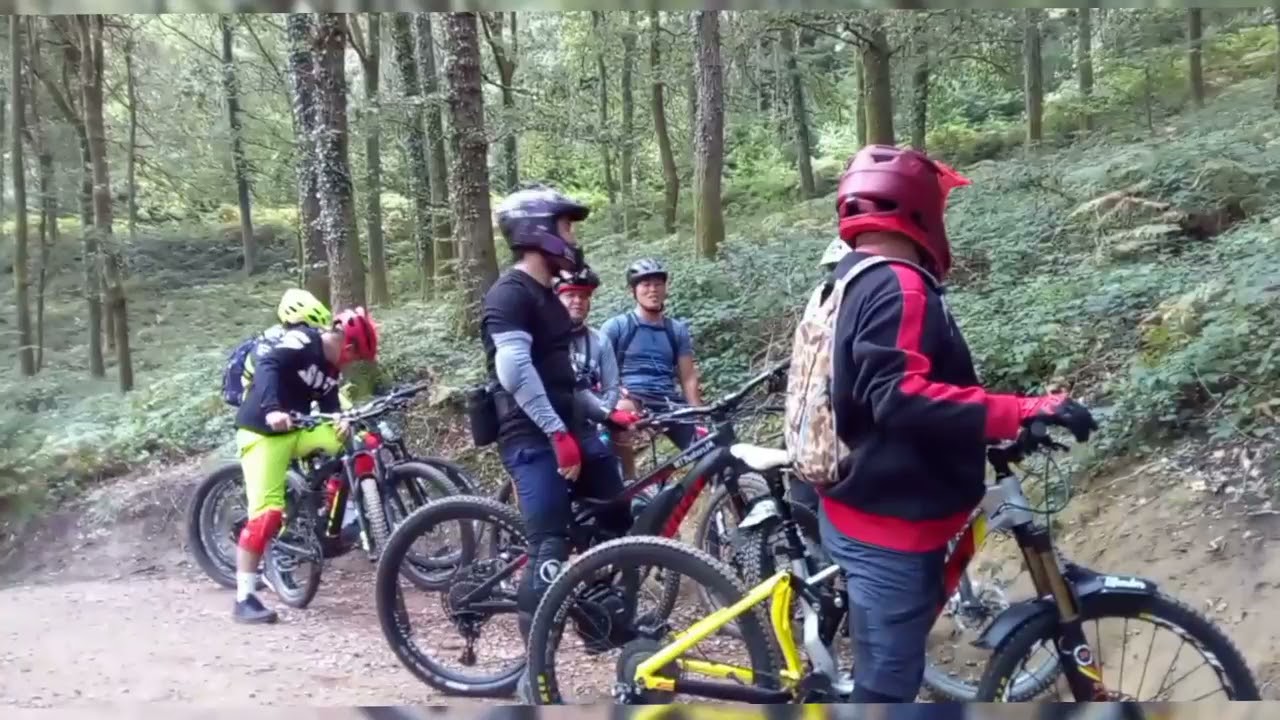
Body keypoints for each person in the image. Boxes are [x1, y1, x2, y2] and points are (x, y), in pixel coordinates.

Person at [817, 145, 1097, 703]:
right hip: (889, 527)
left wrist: (983, 422)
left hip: (859, 503)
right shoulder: (900, 284)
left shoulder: (846, 279)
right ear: (919, 209)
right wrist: (1021, 408)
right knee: (886, 693)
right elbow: (899, 397)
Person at [480, 185, 640, 645]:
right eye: (566, 227)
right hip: (531, 438)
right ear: (539, 233)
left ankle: (599, 623)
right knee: (548, 546)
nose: (572, 237)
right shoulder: (509, 294)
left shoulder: (549, 297)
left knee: (615, 522)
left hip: (570, 428)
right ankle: (535, 668)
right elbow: (514, 371)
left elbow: (564, 381)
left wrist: (607, 415)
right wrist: (555, 433)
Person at [231, 306, 379, 624]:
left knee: (361, 442)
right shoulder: (301, 340)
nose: (352, 364)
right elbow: (268, 365)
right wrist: (271, 409)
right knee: (267, 516)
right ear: (347, 346)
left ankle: (335, 513)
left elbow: (328, 400)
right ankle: (244, 597)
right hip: (261, 432)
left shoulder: (331, 368)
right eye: (355, 357)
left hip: (297, 430)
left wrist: (339, 418)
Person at [601, 259, 704, 480]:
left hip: (668, 401)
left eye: (658, 284)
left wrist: (698, 414)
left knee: (707, 446)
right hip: (632, 396)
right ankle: (629, 484)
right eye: (645, 285)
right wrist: (613, 393)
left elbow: (687, 377)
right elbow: (601, 370)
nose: (653, 290)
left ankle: (720, 497)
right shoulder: (617, 327)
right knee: (617, 418)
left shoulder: (676, 330)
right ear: (633, 291)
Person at [788, 239, 852, 517]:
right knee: (799, 463)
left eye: (839, 268)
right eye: (831, 269)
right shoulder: (822, 294)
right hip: (814, 395)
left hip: (842, 397)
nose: (834, 275)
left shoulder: (862, 296)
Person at [553, 265, 621, 417]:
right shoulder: (544, 337)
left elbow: (611, 387)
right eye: (570, 295)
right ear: (556, 300)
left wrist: (605, 414)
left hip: (591, 419)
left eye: (583, 296)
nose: (578, 301)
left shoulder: (600, 340)